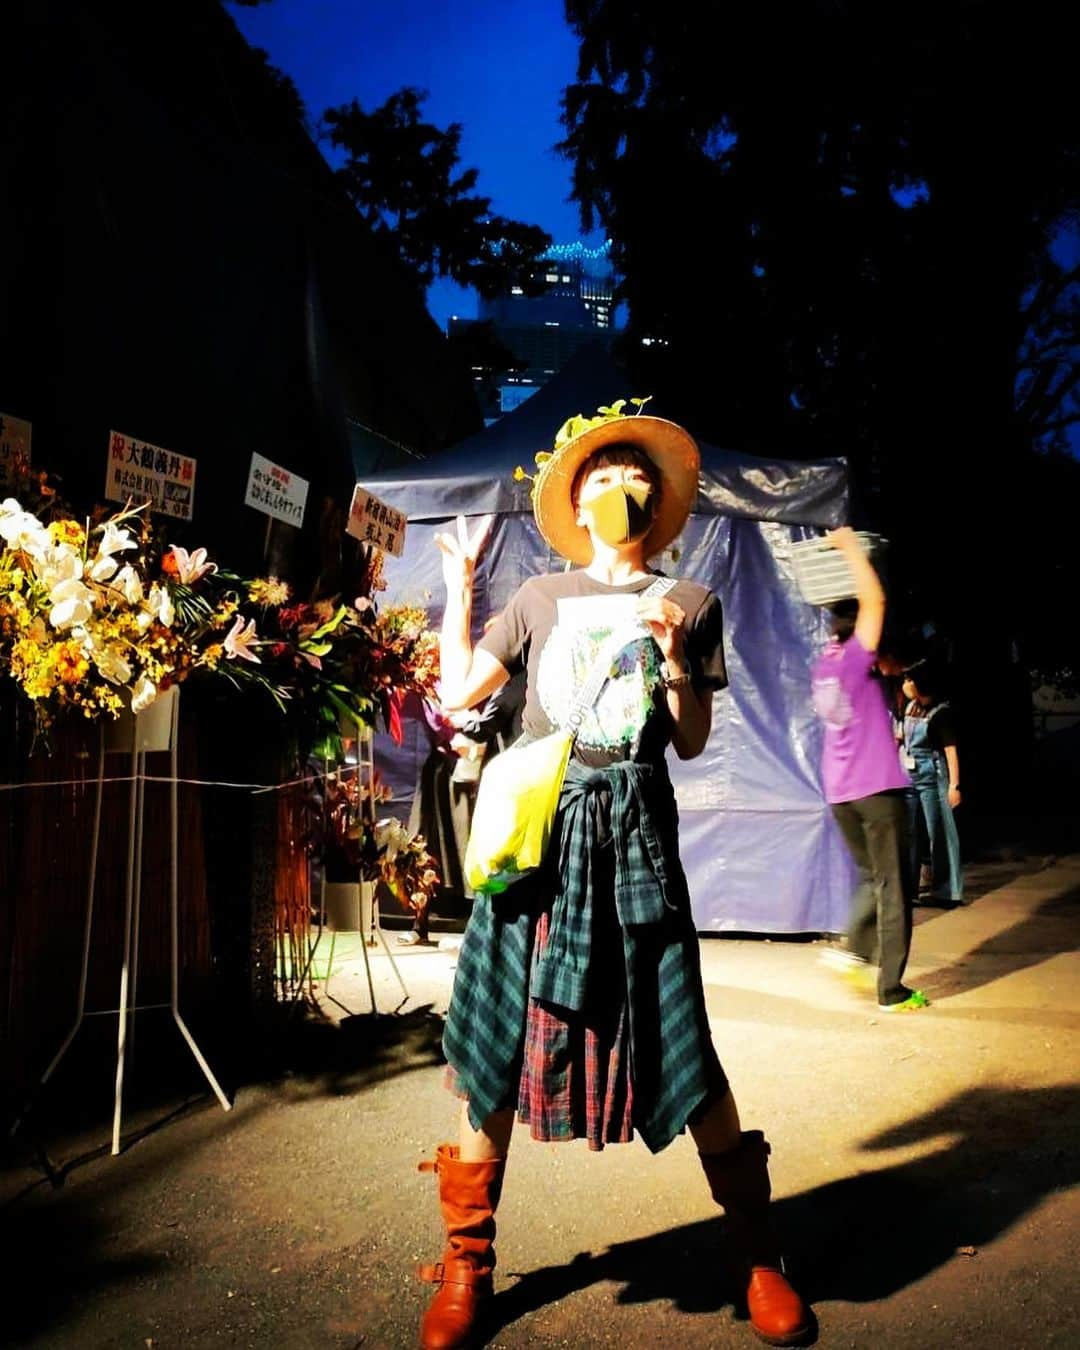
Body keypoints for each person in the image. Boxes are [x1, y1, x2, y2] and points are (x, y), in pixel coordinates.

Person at [416, 411, 810, 1349]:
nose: (617, 487)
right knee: (498, 1049)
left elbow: (689, 739)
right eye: (601, 475)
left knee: (684, 1045)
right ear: (578, 502)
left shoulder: (692, 599)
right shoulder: (538, 595)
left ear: (655, 505)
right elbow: (461, 690)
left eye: (632, 475)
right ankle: (467, 1267)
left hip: (635, 843)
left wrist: (676, 662)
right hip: (541, 846)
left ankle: (761, 1255)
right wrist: (461, 590)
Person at [810, 528, 928, 1013]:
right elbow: (874, 599)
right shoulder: (857, 656)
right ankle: (891, 990)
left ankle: (854, 949)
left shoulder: (826, 664)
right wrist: (852, 550)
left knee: (871, 877)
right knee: (896, 887)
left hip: (840, 793)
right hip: (877, 790)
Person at [901, 662, 963, 904]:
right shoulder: (910, 708)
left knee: (940, 832)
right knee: (911, 833)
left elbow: (951, 751)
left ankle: (947, 891)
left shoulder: (941, 713)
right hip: (909, 776)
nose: (906, 684)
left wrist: (954, 786)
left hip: (933, 777)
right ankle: (909, 890)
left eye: (910, 680)